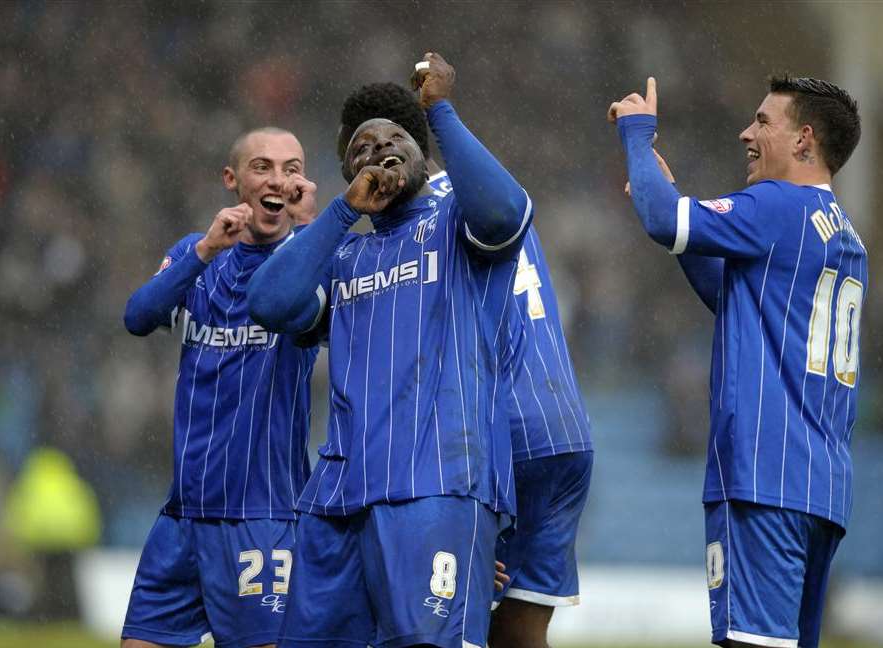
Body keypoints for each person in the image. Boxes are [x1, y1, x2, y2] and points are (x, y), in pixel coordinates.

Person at [248, 52, 531, 648]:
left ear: (424, 152)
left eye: (394, 137)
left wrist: (440, 113)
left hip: (435, 482)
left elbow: (508, 212)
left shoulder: (459, 224)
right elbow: (269, 303)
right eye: (359, 148)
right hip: (338, 498)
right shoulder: (343, 256)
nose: (376, 149)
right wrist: (344, 210)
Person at [609, 76, 864, 648]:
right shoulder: (843, 235)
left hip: (763, 480)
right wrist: (675, 207)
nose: (746, 132)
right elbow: (733, 294)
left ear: (804, 140)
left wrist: (636, 133)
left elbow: (659, 217)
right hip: (819, 487)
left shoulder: (778, 205)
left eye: (763, 122)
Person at [337, 81, 594, 648]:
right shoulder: (482, 183)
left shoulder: (429, 214)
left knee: (439, 622)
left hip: (487, 435)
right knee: (521, 631)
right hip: (563, 426)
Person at [121, 127, 319, 648]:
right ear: (232, 179)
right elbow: (138, 318)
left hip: (262, 517)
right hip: (183, 516)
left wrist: (311, 234)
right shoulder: (197, 255)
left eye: (292, 168)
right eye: (263, 166)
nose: (279, 178)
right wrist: (205, 250)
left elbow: (319, 307)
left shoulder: (308, 261)